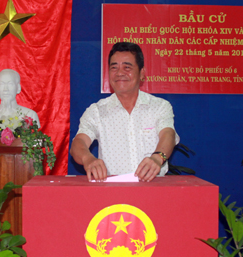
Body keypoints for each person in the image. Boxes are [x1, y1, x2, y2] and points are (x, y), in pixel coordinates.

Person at [70, 42, 179, 182]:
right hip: (112, 194)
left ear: (142, 73)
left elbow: (168, 134)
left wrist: (158, 157)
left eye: (127, 67)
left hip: (154, 189)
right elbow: (78, 143)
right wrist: (88, 159)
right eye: (114, 67)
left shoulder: (159, 106)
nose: (120, 73)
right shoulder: (96, 111)